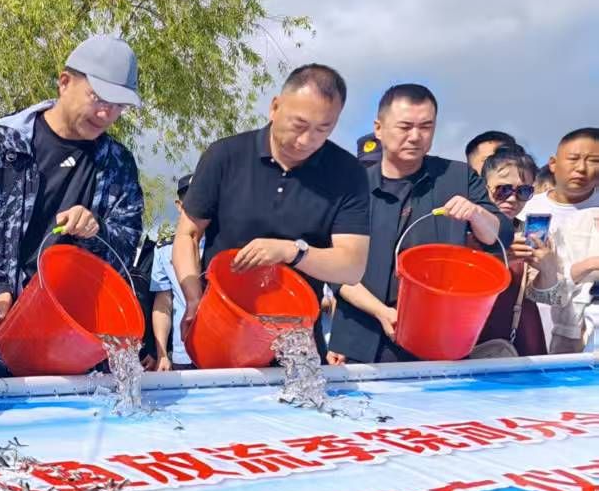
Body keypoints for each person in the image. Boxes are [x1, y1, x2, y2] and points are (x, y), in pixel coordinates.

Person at [0, 35, 144, 377]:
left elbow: (127, 248)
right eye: (99, 98)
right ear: (64, 82)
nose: (107, 113)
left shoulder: (118, 164)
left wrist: (96, 229)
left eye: (118, 106)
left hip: (76, 350)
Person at [173, 64, 369, 359]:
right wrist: (193, 297)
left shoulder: (347, 173)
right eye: (299, 125)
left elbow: (351, 267)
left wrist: (293, 252)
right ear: (275, 107)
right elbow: (187, 234)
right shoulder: (225, 156)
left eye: (323, 129)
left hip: (297, 337)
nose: (307, 140)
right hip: (224, 324)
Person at [327, 84, 503, 364]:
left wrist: (476, 214)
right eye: (405, 126)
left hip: (438, 339)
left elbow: (498, 235)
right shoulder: (350, 187)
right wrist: (381, 312)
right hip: (359, 340)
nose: (415, 136)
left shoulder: (458, 177)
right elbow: (335, 269)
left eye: (426, 127)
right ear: (379, 128)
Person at [522, 128, 599, 352]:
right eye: (573, 158)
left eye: (593, 161)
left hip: (581, 336)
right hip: (532, 327)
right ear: (553, 164)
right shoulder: (524, 208)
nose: (582, 168)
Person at [471, 146, 549, 356]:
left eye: (524, 191)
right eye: (503, 190)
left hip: (520, 336)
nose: (512, 199)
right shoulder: (461, 230)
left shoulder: (533, 234)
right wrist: (497, 257)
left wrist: (547, 268)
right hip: (468, 332)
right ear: (483, 186)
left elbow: (551, 299)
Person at [147, 174, 195, 370]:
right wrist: (162, 354)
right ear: (179, 205)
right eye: (191, 200)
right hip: (184, 354)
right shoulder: (164, 249)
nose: (197, 205)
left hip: (223, 353)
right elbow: (163, 303)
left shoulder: (222, 245)